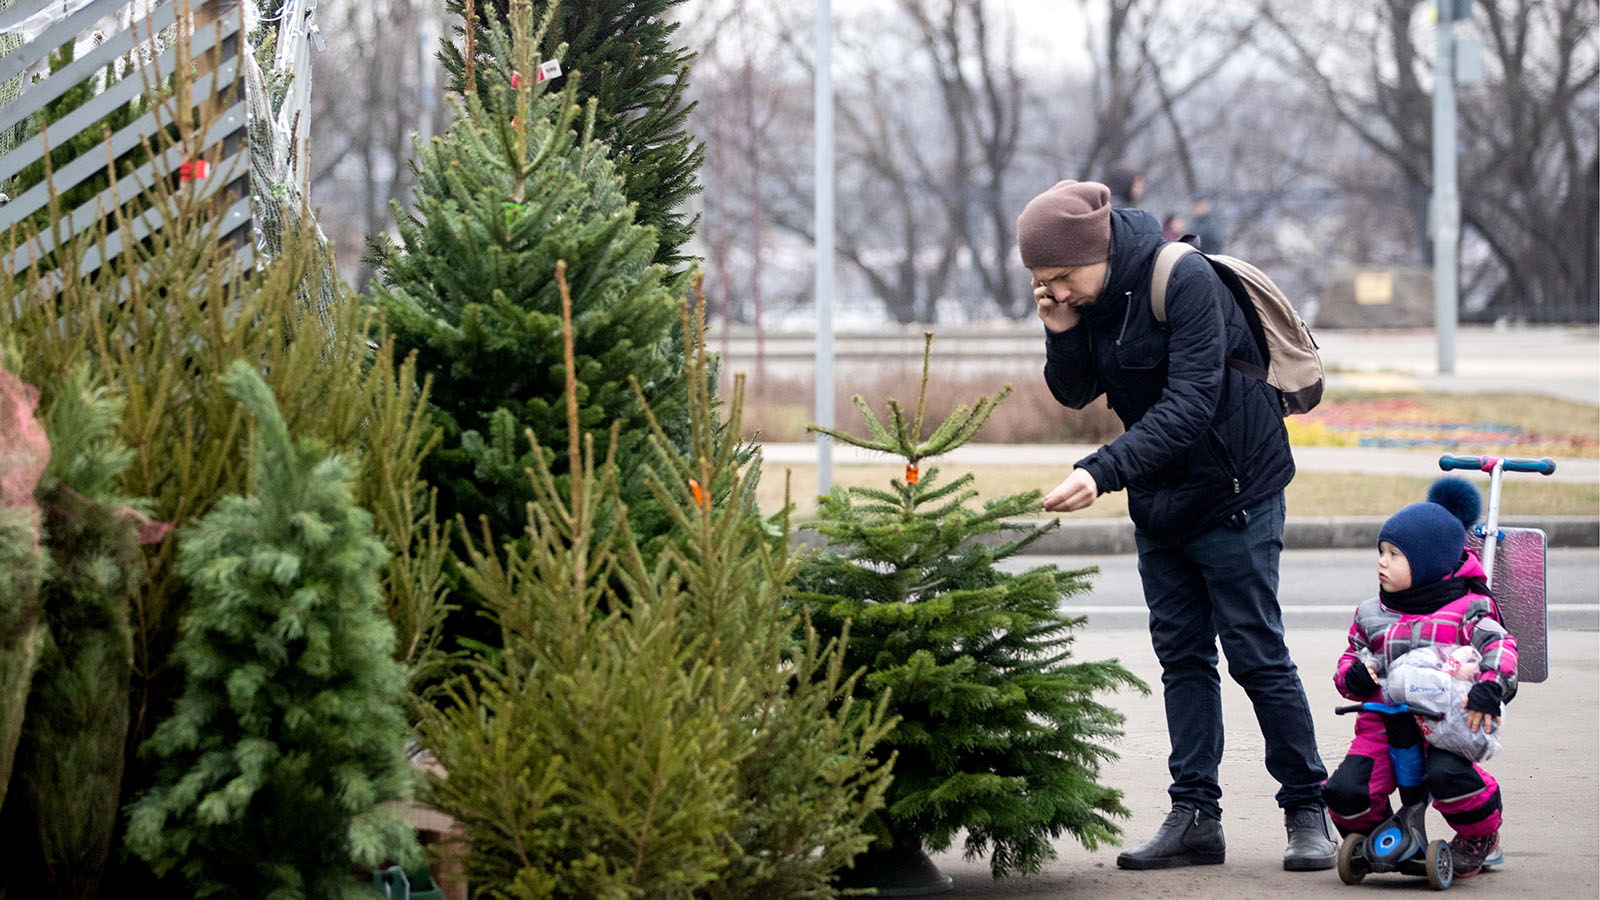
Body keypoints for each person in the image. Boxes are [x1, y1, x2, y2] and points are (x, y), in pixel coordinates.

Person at [1015, 179, 1338, 871]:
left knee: (1255, 652)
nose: (1055, 290)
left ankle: (1308, 810)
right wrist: (1059, 328)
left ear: (1095, 250)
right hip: (1161, 498)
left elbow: (1193, 402)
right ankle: (1195, 816)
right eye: (1040, 284)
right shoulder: (1087, 298)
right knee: (1183, 659)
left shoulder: (1182, 278)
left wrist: (1101, 471)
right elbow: (1076, 393)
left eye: (1061, 278)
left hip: (1235, 487)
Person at [1323, 477, 1516, 878]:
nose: (1382, 561)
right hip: (1382, 723)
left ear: (1428, 561)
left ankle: (1481, 835)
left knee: (1447, 775)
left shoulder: (1467, 609)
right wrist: (1355, 676)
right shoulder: (1372, 613)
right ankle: (1380, 834)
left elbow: (1500, 647)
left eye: (1395, 554)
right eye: (1381, 551)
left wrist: (1490, 685)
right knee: (1345, 790)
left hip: (1442, 723)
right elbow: (1350, 658)